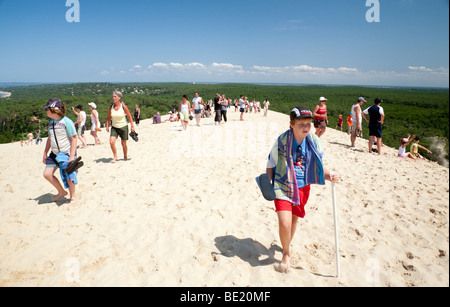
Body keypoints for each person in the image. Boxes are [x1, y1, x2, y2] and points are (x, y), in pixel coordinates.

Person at [266, 106, 340, 273]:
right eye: (301, 124)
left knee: (293, 221)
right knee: (284, 222)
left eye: (308, 123)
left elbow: (319, 167)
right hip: (282, 185)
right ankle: (286, 253)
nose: (306, 127)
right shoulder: (282, 140)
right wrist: (267, 182)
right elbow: (271, 162)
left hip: (302, 187)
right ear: (291, 124)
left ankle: (286, 246)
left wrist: (331, 175)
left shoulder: (315, 142)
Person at [42, 98, 78, 204]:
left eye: (47, 109)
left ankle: (73, 197)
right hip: (54, 153)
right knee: (47, 174)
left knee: (69, 176)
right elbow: (49, 138)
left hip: (66, 153)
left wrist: (71, 157)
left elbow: (74, 139)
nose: (46, 111)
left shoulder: (67, 122)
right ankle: (62, 192)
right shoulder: (51, 123)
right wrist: (45, 152)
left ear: (55, 110)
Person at [105, 90, 135, 163]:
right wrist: (107, 125)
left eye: (115, 96)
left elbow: (129, 117)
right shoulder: (111, 107)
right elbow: (109, 117)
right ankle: (115, 156)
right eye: (113, 96)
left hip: (123, 126)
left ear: (119, 98)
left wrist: (132, 126)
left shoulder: (123, 106)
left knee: (123, 143)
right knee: (111, 142)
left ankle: (125, 156)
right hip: (114, 127)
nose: (113, 98)